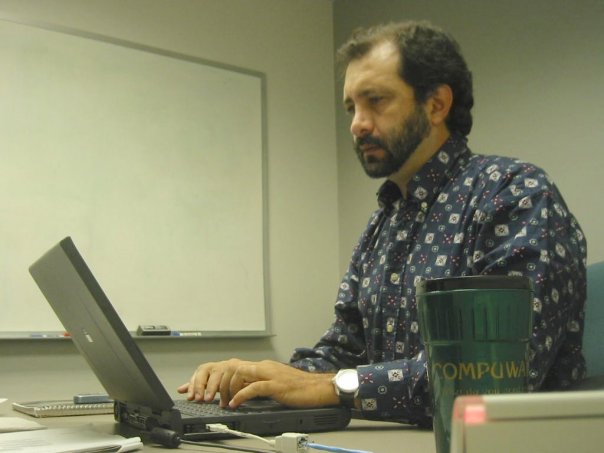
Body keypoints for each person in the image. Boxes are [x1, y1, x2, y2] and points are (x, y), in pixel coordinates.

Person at [177, 21, 587, 426]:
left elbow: (492, 376)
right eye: (351, 108)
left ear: (436, 104)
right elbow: (343, 351)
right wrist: (260, 378)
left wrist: (332, 386)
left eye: (375, 101)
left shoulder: (515, 194)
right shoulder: (384, 221)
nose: (357, 124)